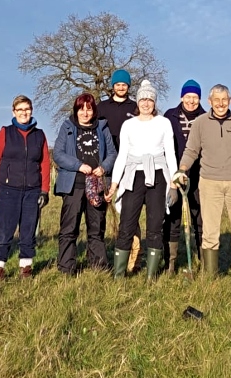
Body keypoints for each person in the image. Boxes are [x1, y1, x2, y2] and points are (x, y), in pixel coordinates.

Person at [174, 84, 231, 288]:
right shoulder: (201, 123)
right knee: (210, 232)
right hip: (209, 181)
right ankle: (210, 281)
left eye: (224, 100)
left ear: (230, 101)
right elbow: (192, 149)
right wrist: (182, 169)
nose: (220, 104)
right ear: (209, 102)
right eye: (216, 100)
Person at [105, 80, 179, 280]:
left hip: (157, 175)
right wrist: (114, 183)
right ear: (137, 102)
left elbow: (170, 154)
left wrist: (173, 182)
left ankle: (151, 276)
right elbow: (122, 156)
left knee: (155, 225)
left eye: (150, 99)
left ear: (154, 102)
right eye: (143, 99)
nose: (146, 103)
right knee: (127, 224)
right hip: (133, 176)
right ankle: (119, 274)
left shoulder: (163, 123)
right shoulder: (128, 125)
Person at [0, 95, 50, 279]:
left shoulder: (39, 135)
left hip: (32, 190)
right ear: (14, 112)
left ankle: (26, 268)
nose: (24, 112)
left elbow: (45, 163)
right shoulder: (5, 133)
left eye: (27, 109)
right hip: (8, 190)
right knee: (4, 230)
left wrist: (44, 190)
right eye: (20, 109)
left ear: (32, 110)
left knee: (28, 231)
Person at [53, 93, 117, 275]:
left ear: (94, 111)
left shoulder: (102, 128)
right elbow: (58, 154)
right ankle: (66, 267)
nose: (85, 113)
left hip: (97, 186)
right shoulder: (67, 127)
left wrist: (104, 167)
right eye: (82, 109)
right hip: (73, 186)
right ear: (76, 110)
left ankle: (99, 266)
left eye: (89, 109)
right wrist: (78, 165)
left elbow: (112, 153)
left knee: (96, 228)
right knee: (69, 228)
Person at [98, 69, 143, 273]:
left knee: (128, 209)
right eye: (118, 84)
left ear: (128, 86)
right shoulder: (102, 107)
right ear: (112, 86)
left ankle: (135, 256)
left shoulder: (135, 107)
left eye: (124, 84)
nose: (121, 87)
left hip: (129, 165)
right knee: (101, 212)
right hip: (106, 165)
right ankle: (101, 256)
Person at [162, 79, 206, 274]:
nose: (191, 101)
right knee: (173, 217)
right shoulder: (169, 117)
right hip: (175, 174)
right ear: (181, 97)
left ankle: (203, 260)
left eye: (195, 97)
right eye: (188, 97)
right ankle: (170, 262)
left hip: (199, 174)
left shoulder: (206, 118)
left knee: (200, 219)